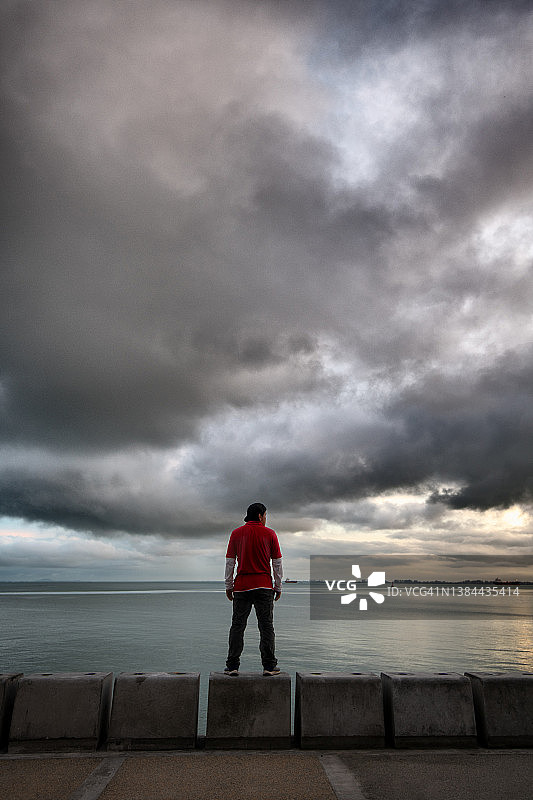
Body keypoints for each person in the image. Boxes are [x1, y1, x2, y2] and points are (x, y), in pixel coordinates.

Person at [224, 502, 283, 676]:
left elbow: (230, 562)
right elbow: (277, 563)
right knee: (266, 627)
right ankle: (269, 667)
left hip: (241, 587)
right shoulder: (270, 534)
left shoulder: (236, 534)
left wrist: (229, 585)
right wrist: (278, 586)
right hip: (264, 586)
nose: (266, 519)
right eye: (265, 515)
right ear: (259, 515)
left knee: (237, 626)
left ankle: (232, 666)